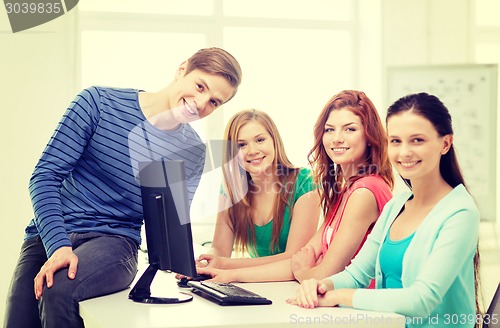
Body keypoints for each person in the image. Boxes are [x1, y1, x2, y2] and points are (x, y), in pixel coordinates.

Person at [4, 47, 242, 328]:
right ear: (182, 69)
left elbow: (168, 224)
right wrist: (59, 246)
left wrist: (186, 264)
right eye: (200, 86)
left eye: (214, 102)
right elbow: (44, 177)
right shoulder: (98, 102)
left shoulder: (191, 150)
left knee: (59, 289)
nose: (201, 103)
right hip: (49, 235)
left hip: (114, 243)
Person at [288, 93, 481, 328]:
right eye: (396, 141)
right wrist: (320, 286)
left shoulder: (460, 212)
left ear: (445, 143)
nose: (404, 152)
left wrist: (338, 296)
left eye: (417, 140)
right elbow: (356, 274)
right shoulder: (395, 207)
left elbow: (421, 300)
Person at [197, 90, 394, 283]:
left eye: (350, 129)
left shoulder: (364, 192)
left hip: (363, 309)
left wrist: (303, 271)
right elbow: (303, 259)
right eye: (330, 129)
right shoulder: (346, 192)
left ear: (369, 135)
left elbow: (319, 272)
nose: (337, 138)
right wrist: (228, 273)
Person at [194, 109, 321, 271]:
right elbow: (219, 250)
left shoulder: (305, 182)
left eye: (260, 140)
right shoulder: (232, 188)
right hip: (257, 282)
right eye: (241, 145)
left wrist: (225, 264)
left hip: (296, 283)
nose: (253, 151)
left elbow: (294, 258)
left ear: (274, 141)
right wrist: (204, 263)